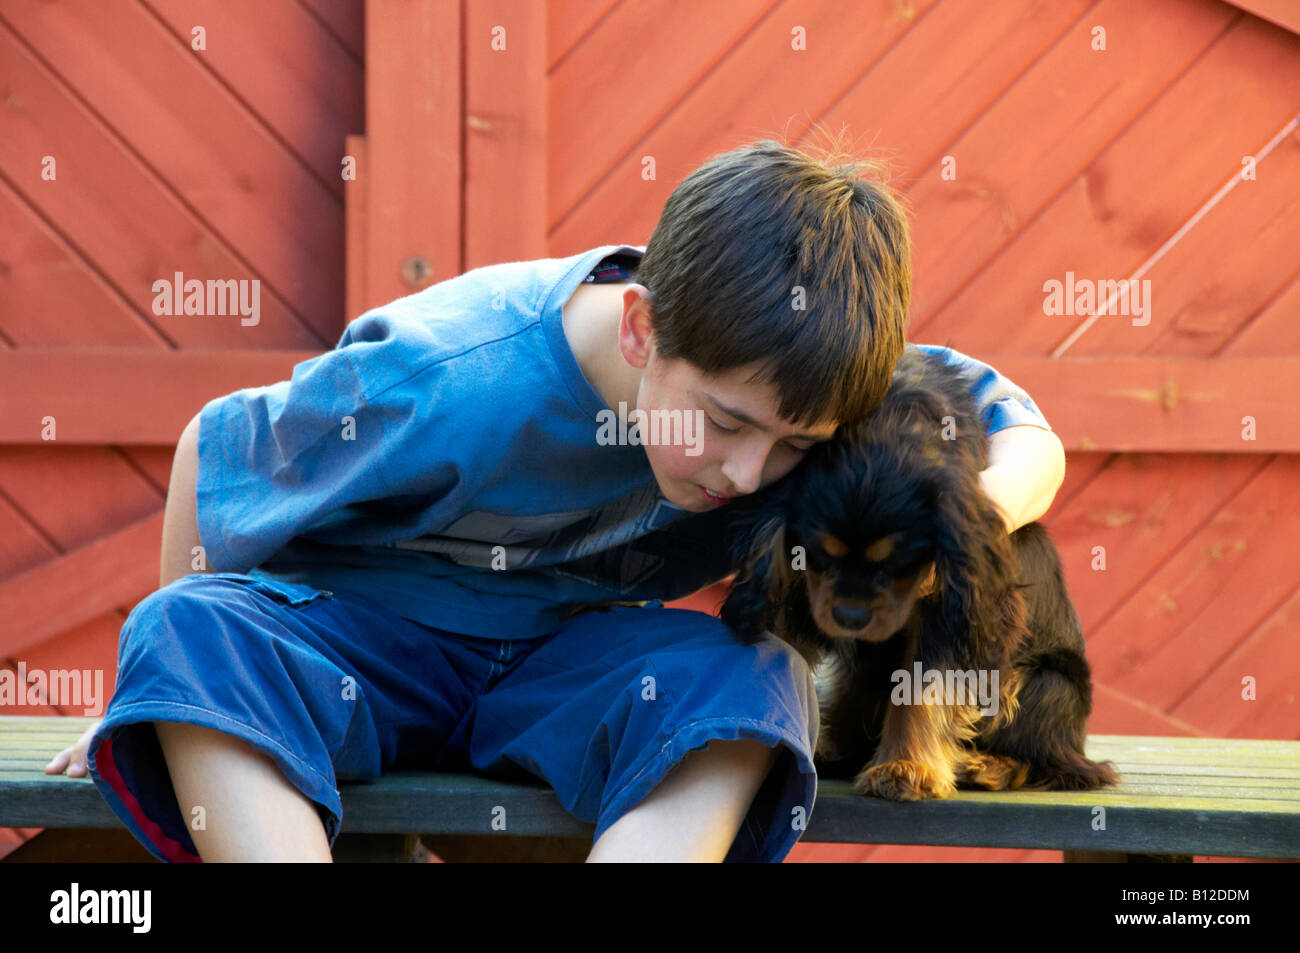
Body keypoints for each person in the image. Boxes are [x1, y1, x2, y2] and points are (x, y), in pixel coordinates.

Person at [45, 139, 1064, 862]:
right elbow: (210, 446)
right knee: (185, 627)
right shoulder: (449, 374)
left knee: (748, 676)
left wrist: (968, 513)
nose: (747, 475)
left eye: (793, 444)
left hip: (562, 663)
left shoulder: (807, 363)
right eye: (723, 422)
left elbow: (1030, 439)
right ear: (639, 330)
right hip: (360, 642)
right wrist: (160, 699)